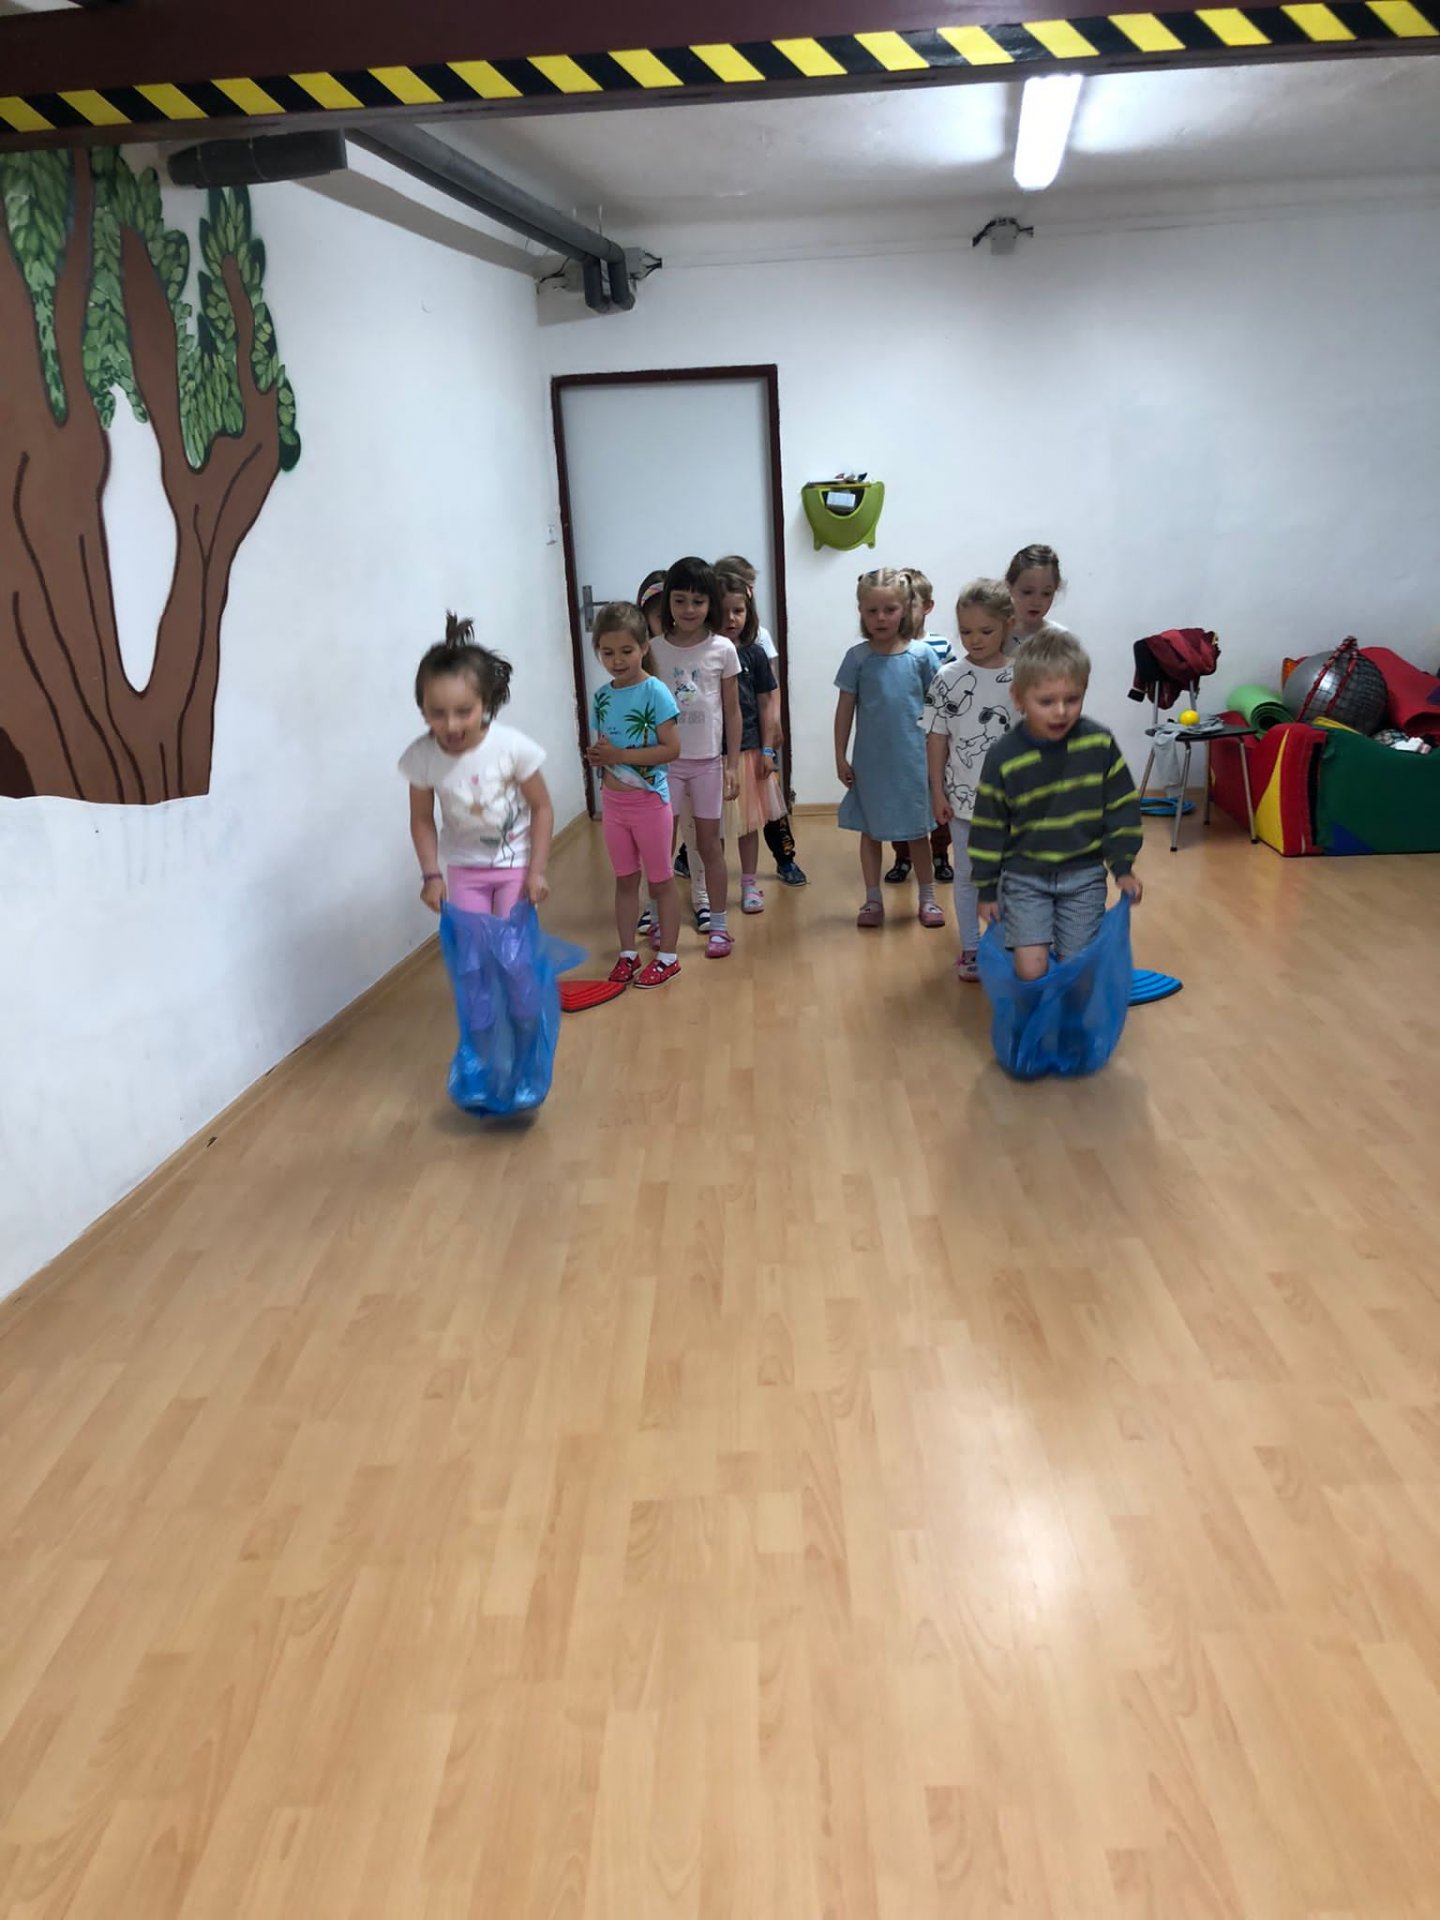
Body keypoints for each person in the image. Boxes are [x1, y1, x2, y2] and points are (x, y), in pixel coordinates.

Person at [969, 627, 1143, 980]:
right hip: (1024, 879)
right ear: (1019, 698)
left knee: (1077, 966)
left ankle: (1070, 1014)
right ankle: (1038, 1013)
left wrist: (1123, 867)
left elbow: (1121, 808)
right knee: (1030, 969)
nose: (1061, 712)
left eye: (1072, 699)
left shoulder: (1098, 743)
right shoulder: (1004, 756)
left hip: (1084, 876)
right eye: (1046, 702)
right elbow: (988, 826)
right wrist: (986, 888)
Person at [400, 612, 553, 917]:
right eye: (437, 713)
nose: (451, 725)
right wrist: (431, 875)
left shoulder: (512, 747)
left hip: (515, 863)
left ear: (485, 702)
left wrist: (537, 871)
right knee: (473, 942)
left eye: (464, 711)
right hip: (464, 867)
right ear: (422, 709)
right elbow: (421, 818)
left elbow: (542, 807)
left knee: (511, 942)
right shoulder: (422, 757)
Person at [834, 567, 945, 931]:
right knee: (870, 831)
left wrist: (940, 759)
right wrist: (840, 756)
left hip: (913, 761)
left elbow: (938, 709)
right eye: (872, 611)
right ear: (860, 611)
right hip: (871, 764)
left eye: (890, 609)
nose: (881, 618)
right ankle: (872, 899)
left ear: (906, 609)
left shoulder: (922, 656)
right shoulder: (857, 658)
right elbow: (845, 710)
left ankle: (927, 897)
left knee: (917, 832)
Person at [923, 579, 1020, 981]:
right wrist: (936, 791)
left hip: (1013, 804)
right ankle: (971, 948)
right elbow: (936, 737)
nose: (974, 639)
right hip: (963, 803)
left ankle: (1011, 944)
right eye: (966, 631)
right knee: (966, 876)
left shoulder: (1022, 676)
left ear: (1008, 625)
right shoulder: (947, 676)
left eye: (985, 630)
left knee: (1011, 877)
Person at [648, 555, 742, 958]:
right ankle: (658, 918)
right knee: (660, 846)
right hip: (664, 765)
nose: (689, 609)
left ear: (711, 604)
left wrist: (732, 765)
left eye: (698, 601)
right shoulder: (653, 650)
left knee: (710, 845)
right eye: (680, 600)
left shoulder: (723, 649)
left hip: (708, 764)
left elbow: (733, 711)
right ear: (667, 601)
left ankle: (719, 925)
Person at [587, 602, 683, 989]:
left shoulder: (655, 691)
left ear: (644, 646)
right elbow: (605, 747)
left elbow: (671, 749)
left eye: (626, 650)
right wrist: (599, 757)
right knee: (625, 880)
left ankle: (668, 956)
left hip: (649, 804)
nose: (617, 660)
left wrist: (619, 756)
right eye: (607, 652)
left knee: (660, 881)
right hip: (614, 806)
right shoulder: (601, 697)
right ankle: (628, 952)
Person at [715, 552, 806, 885]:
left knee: (764, 807)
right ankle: (692, 864)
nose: (732, 617)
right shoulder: (707, 647)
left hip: (754, 741)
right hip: (716, 749)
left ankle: (785, 860)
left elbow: (769, 690)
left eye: (748, 589)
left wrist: (774, 727)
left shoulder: (757, 640)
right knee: (715, 814)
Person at [716, 570, 785, 915]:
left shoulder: (755, 654)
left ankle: (748, 883)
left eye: (738, 611)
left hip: (748, 750)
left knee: (747, 824)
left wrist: (768, 750)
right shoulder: (705, 653)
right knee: (710, 828)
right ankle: (709, 888)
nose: (731, 619)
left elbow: (766, 703)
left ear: (749, 612)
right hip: (709, 755)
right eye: (723, 611)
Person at [887, 566, 954, 887]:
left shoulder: (940, 646)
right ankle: (903, 856)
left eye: (910, 604)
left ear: (927, 606)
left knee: (938, 793)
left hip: (935, 738)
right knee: (901, 798)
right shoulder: (888, 647)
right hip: (901, 740)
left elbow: (953, 690)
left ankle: (940, 853)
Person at [1005, 543, 1069, 642]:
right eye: (1027, 592)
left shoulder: (1060, 639)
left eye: (1046, 593)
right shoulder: (994, 634)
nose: (1036, 602)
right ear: (1009, 587)